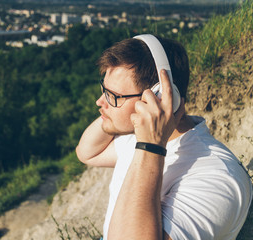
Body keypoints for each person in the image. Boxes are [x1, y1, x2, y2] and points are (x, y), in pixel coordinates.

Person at [75, 35, 252, 240]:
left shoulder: (218, 178)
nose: (99, 102)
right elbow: (87, 153)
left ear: (159, 98)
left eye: (113, 96)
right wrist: (113, 114)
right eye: (103, 90)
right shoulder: (139, 137)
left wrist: (150, 146)